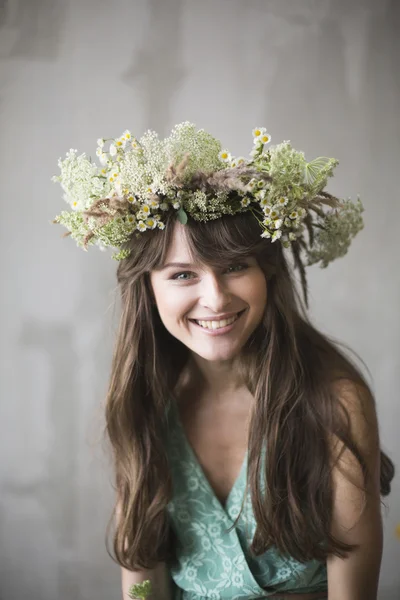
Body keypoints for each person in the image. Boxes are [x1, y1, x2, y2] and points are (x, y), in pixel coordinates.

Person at [52, 123, 395, 600]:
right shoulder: (146, 405)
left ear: (267, 272)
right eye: (183, 274)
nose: (214, 299)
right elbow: (142, 579)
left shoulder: (334, 402)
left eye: (235, 266)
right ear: (148, 290)